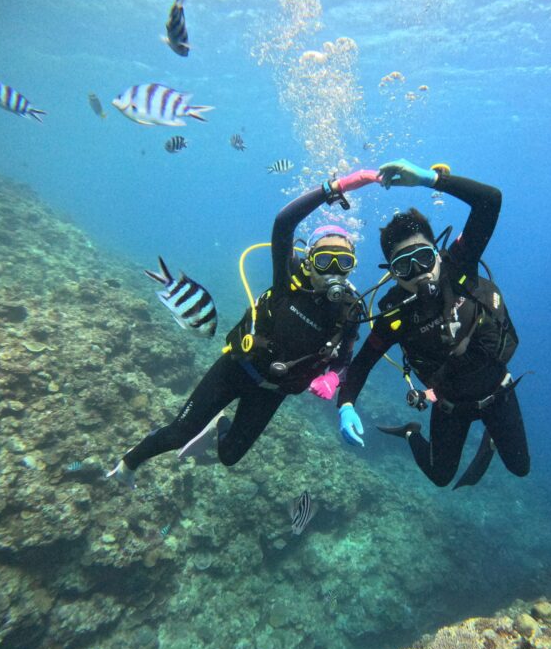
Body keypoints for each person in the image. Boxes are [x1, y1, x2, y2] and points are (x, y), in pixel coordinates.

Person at [108, 169, 380, 488]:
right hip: (237, 369)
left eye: (343, 263)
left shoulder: (350, 311)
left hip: (273, 393)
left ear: (352, 268)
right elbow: (283, 224)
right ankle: (127, 464)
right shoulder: (287, 283)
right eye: (325, 261)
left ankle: (218, 426)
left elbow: (345, 360)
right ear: (308, 261)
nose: (333, 271)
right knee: (179, 432)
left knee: (230, 456)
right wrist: (336, 187)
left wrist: (334, 378)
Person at [336, 159, 530, 488]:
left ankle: (492, 436)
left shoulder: (460, 266)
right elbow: (362, 364)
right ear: (393, 272)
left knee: (521, 468)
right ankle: (411, 432)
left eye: (424, 257)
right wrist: (346, 405)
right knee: (440, 477)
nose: (420, 272)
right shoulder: (395, 314)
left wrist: (429, 179)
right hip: (449, 404)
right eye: (404, 266)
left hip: (498, 392)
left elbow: (490, 200)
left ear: (438, 253)